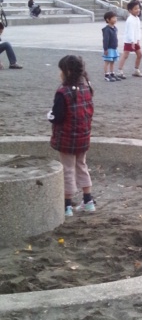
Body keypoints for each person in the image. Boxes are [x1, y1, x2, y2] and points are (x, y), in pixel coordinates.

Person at [48, 55, 95, 216]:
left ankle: (67, 206)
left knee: (67, 169)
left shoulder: (63, 92)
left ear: (66, 72)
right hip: (83, 136)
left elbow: (58, 116)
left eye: (61, 70)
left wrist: (50, 116)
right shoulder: (87, 87)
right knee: (82, 165)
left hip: (67, 139)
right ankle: (88, 201)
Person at [117, 0, 142, 78]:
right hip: (129, 41)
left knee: (139, 54)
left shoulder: (137, 18)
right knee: (125, 55)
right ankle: (120, 71)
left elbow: (138, 30)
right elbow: (130, 31)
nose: (138, 10)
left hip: (135, 41)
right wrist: (132, 41)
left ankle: (136, 70)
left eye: (138, 8)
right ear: (130, 10)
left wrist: (138, 39)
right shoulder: (130, 20)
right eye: (135, 9)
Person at [102, 11, 122, 82]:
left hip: (114, 48)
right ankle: (106, 75)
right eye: (113, 18)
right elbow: (105, 40)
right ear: (108, 19)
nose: (115, 19)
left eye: (116, 18)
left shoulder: (115, 28)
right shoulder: (107, 29)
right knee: (107, 61)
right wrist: (105, 49)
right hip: (109, 48)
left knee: (112, 61)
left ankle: (112, 73)